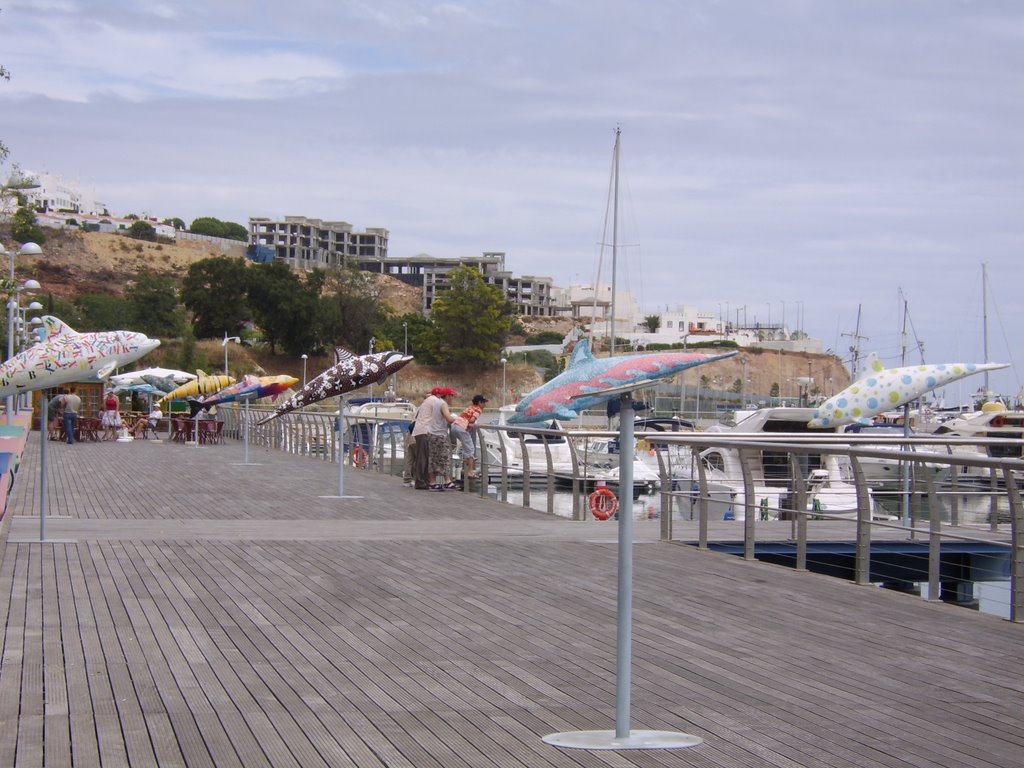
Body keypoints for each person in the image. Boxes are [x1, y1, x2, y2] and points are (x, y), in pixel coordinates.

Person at [411, 386, 458, 490]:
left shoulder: (429, 400)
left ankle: (427, 482)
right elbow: (447, 417)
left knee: (426, 457)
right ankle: (422, 482)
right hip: (426, 430)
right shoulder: (437, 401)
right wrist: (459, 420)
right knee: (425, 458)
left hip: (423, 430)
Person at [451, 394, 488, 479]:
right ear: (479, 402)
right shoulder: (478, 409)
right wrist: (473, 423)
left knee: (466, 446)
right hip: (461, 427)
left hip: (454, 425)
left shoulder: (470, 407)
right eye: (484, 403)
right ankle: (470, 471)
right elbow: (471, 420)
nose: (485, 405)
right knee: (470, 448)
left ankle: (468, 461)